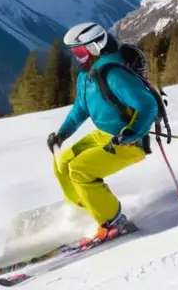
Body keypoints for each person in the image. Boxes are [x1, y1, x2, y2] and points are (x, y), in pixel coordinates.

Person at [46, 21, 157, 244]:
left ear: (96, 46)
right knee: (62, 162)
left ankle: (115, 222)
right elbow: (81, 108)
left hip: (127, 142)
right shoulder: (86, 76)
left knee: (79, 170)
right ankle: (88, 205)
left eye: (79, 51)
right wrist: (62, 133)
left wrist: (132, 132)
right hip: (103, 135)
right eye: (74, 53)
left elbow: (148, 105)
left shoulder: (114, 75)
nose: (77, 57)